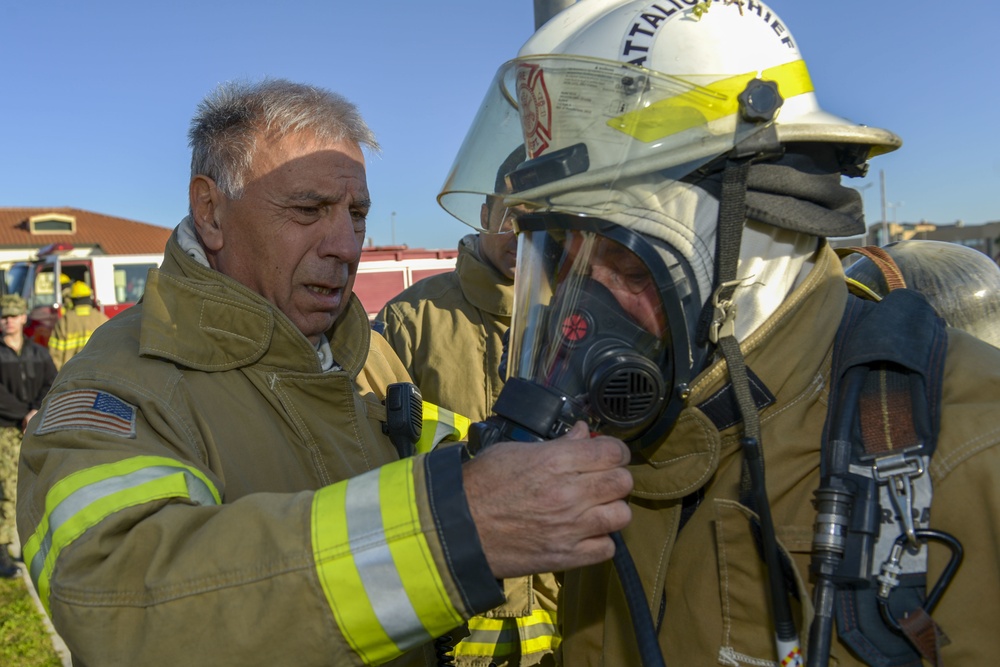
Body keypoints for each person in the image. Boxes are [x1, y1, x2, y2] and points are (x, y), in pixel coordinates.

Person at [443, 1, 1000, 665]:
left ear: (750, 243)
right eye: (563, 261)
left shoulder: (969, 454)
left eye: (619, 262)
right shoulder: (629, 443)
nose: (577, 311)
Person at [16, 78, 634, 666]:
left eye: (357, 212)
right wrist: (454, 524)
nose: (345, 243)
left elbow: (433, 449)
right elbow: (119, 601)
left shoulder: (361, 354)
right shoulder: (125, 382)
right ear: (210, 211)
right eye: (309, 209)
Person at [377, 149, 561, 667]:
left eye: (543, 220)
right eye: (511, 217)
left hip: (565, 627)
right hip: (449, 626)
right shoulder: (411, 320)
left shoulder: (582, 325)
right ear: (483, 215)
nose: (524, 236)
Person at [0, 294, 56, 578]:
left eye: (12, 315)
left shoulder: (39, 353)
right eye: (3, 316)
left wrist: (35, 410)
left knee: (34, 488)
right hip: (5, 432)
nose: (8, 321)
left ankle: (28, 547)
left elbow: (51, 382)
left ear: (23, 318)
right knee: (6, 492)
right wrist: (23, 413)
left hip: (34, 429)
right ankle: (3, 552)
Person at [46, 280, 110, 370]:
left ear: (72, 300)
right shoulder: (102, 319)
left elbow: (54, 355)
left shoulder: (65, 321)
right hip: (97, 375)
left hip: (70, 376)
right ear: (89, 298)